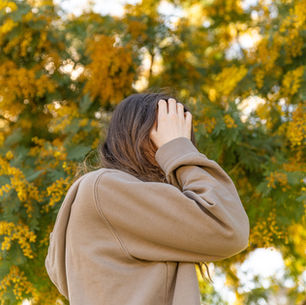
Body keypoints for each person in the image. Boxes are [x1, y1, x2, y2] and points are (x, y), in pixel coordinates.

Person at [45, 92, 250, 305]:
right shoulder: (105, 190)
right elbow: (228, 228)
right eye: (165, 134)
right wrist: (178, 149)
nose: (173, 146)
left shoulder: (120, 203)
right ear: (136, 136)